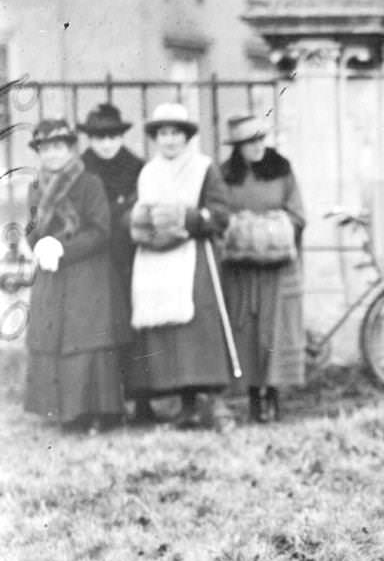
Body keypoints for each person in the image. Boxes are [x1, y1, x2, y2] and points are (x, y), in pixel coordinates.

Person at [127, 103, 235, 430]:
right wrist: (141, 222)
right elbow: (140, 212)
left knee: (198, 329)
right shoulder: (149, 172)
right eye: (163, 133)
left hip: (193, 253)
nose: (170, 140)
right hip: (157, 257)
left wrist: (187, 217)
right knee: (169, 333)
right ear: (156, 138)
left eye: (175, 133)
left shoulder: (203, 168)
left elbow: (221, 214)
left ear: (186, 137)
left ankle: (214, 404)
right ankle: (184, 405)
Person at [22, 118, 126, 433]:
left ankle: (98, 412)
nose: (52, 154)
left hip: (86, 273)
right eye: (45, 148)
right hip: (52, 276)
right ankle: (66, 411)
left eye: (58, 147)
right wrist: (38, 244)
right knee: (54, 338)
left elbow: (100, 230)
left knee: (85, 339)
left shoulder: (88, 183)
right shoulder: (36, 186)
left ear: (70, 149)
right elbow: (30, 229)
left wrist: (62, 248)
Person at [219, 113, 305, 424]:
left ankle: (275, 397)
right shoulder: (225, 175)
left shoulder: (282, 170)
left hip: (276, 267)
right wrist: (242, 230)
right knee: (249, 331)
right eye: (248, 142)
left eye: (259, 140)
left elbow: (298, 214)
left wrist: (273, 230)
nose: (256, 147)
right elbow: (220, 212)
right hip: (242, 269)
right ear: (238, 147)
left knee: (275, 331)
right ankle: (254, 399)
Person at [77, 102, 150, 423]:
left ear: (122, 136)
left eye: (112, 136)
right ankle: (106, 402)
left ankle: (143, 400)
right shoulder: (79, 170)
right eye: (98, 137)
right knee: (102, 329)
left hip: (133, 257)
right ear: (89, 139)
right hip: (95, 260)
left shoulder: (137, 167)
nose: (106, 144)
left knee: (137, 327)